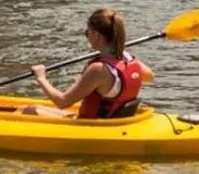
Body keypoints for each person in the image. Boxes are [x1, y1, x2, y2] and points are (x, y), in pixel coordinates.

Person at [21, 7, 153, 119]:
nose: (87, 36)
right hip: (114, 122)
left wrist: (41, 78)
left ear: (97, 36)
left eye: (87, 32)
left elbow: (62, 102)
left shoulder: (98, 69)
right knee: (32, 108)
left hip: (92, 127)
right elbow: (149, 76)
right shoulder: (129, 59)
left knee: (27, 112)